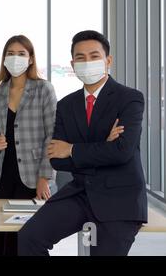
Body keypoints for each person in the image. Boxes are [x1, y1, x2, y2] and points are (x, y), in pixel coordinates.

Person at [18, 30, 148, 256]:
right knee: (28, 238)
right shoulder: (66, 105)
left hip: (119, 198)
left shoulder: (129, 98)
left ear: (108, 60)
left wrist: (72, 149)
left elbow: (122, 152)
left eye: (94, 56)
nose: (87, 62)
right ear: (72, 63)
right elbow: (57, 160)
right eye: (80, 58)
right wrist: (102, 146)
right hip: (79, 194)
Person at [0, 35, 57, 256]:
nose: (15, 58)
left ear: (31, 59)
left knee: (28, 237)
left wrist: (45, 178)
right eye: (10, 53)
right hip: (3, 173)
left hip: (32, 175)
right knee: (3, 236)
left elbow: (52, 135)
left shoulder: (44, 89)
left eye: (21, 53)